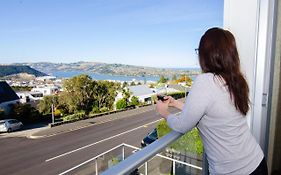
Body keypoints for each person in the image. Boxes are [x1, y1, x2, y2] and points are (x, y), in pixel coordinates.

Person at [156, 27, 268, 175]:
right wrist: (176, 104)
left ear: (206, 55)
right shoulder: (234, 79)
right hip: (257, 163)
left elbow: (182, 125)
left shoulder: (205, 81)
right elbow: (211, 113)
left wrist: (164, 113)